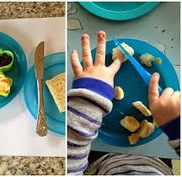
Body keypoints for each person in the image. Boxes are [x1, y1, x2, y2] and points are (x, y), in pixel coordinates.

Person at [67, 31, 180, 175]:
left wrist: (89, 101)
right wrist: (177, 129)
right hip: (158, 163)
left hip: (98, 161)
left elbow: (69, 164)